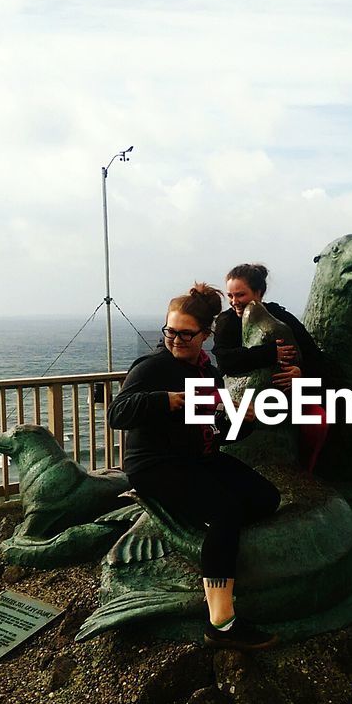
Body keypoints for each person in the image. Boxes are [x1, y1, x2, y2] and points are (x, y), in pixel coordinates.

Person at [108, 283, 281, 650]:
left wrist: (245, 420)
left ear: (206, 334)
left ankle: (209, 533)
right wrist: (164, 401)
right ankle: (221, 621)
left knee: (268, 498)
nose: (175, 340)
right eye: (170, 332)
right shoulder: (152, 366)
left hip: (196, 458)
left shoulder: (209, 373)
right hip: (154, 465)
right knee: (227, 510)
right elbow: (116, 413)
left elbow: (219, 432)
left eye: (187, 334)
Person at [213, 263, 329, 473]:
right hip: (241, 400)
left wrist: (301, 374)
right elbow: (224, 360)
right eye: (230, 295)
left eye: (240, 295)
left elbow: (316, 358)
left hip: (287, 399)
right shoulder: (226, 320)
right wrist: (271, 353)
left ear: (259, 293)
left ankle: (307, 472)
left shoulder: (280, 317)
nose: (234, 302)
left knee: (317, 422)